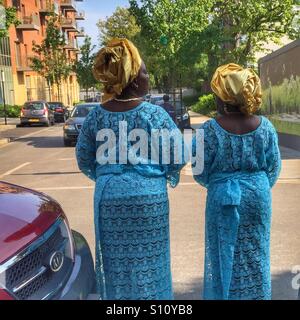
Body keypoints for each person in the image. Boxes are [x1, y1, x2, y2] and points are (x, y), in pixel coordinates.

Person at [76, 38, 186, 300]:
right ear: (134, 79)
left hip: (110, 201)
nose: (148, 78)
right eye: (145, 72)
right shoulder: (154, 115)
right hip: (150, 201)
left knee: (117, 270)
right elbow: (179, 155)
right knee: (152, 268)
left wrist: (109, 176)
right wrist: (155, 173)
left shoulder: (96, 116)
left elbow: (84, 158)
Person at [192, 63, 281, 300]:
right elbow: (274, 167)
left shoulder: (209, 130)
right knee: (256, 255)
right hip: (257, 199)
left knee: (223, 254)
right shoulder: (266, 128)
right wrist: (254, 186)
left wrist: (220, 183)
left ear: (223, 98)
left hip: (222, 199)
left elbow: (199, 170)